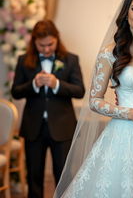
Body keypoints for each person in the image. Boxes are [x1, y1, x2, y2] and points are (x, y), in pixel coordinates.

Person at [53, 0, 133, 198]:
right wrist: (131, 113)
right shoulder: (111, 52)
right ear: (126, 11)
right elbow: (94, 100)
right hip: (124, 136)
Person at [11, 20, 85, 198]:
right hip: (33, 127)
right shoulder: (24, 60)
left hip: (62, 127)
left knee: (63, 176)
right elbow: (16, 91)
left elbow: (79, 91)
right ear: (34, 42)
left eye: (50, 44)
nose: (46, 50)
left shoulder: (71, 59)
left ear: (57, 39)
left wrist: (57, 84)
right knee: (34, 175)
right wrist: (34, 85)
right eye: (41, 45)